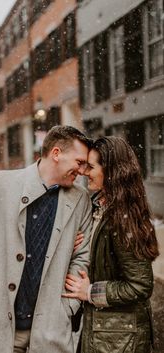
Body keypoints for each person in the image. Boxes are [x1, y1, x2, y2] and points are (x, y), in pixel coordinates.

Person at [0, 125, 93, 353]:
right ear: (56, 153)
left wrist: (67, 306)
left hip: (51, 329)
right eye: (79, 162)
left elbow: (82, 255)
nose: (82, 171)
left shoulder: (81, 199)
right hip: (0, 327)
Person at [63, 136, 158, 353]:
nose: (85, 172)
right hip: (108, 334)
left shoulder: (122, 218)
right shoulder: (101, 206)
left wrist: (91, 292)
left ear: (112, 172)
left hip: (119, 340)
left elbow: (140, 285)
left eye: (91, 166)